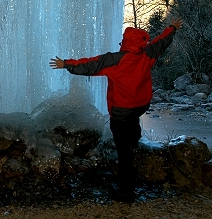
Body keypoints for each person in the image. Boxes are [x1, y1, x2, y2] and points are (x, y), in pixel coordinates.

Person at [49, 18, 183, 202]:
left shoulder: (115, 60)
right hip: (140, 106)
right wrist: (172, 28)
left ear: (126, 42)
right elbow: (161, 42)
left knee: (123, 151)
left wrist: (66, 64)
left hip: (121, 111)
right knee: (132, 127)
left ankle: (127, 191)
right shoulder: (148, 54)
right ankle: (135, 144)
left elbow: (91, 64)